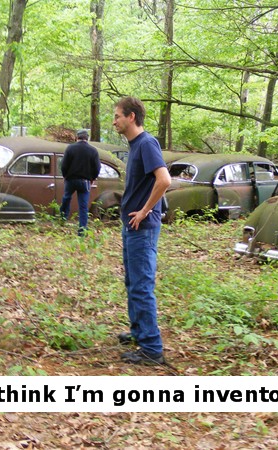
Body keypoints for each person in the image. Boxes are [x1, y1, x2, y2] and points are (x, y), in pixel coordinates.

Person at [112, 96, 171, 365]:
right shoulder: (135, 145)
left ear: (131, 117)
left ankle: (151, 349)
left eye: (117, 116)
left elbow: (164, 180)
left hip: (142, 227)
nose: (114, 121)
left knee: (142, 286)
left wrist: (145, 210)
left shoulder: (146, 143)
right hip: (131, 226)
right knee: (132, 283)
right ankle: (139, 332)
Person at [60, 129, 101, 235]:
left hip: (70, 180)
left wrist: (65, 176)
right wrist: (92, 178)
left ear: (76, 137)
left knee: (66, 197)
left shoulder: (70, 148)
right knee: (83, 207)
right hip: (85, 181)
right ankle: (82, 231)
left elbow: (64, 165)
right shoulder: (93, 150)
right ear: (87, 138)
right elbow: (97, 168)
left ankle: (63, 217)